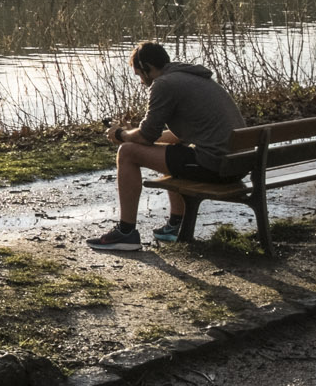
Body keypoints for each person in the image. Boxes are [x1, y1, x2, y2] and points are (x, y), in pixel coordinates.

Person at [87, 41, 245, 251]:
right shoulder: (192, 77)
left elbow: (145, 137)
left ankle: (125, 233)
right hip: (237, 164)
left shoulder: (164, 84)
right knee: (171, 152)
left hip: (217, 166)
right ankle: (175, 225)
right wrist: (136, 136)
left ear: (148, 68)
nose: (142, 82)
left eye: (139, 74)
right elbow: (174, 136)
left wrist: (121, 134)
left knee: (126, 152)